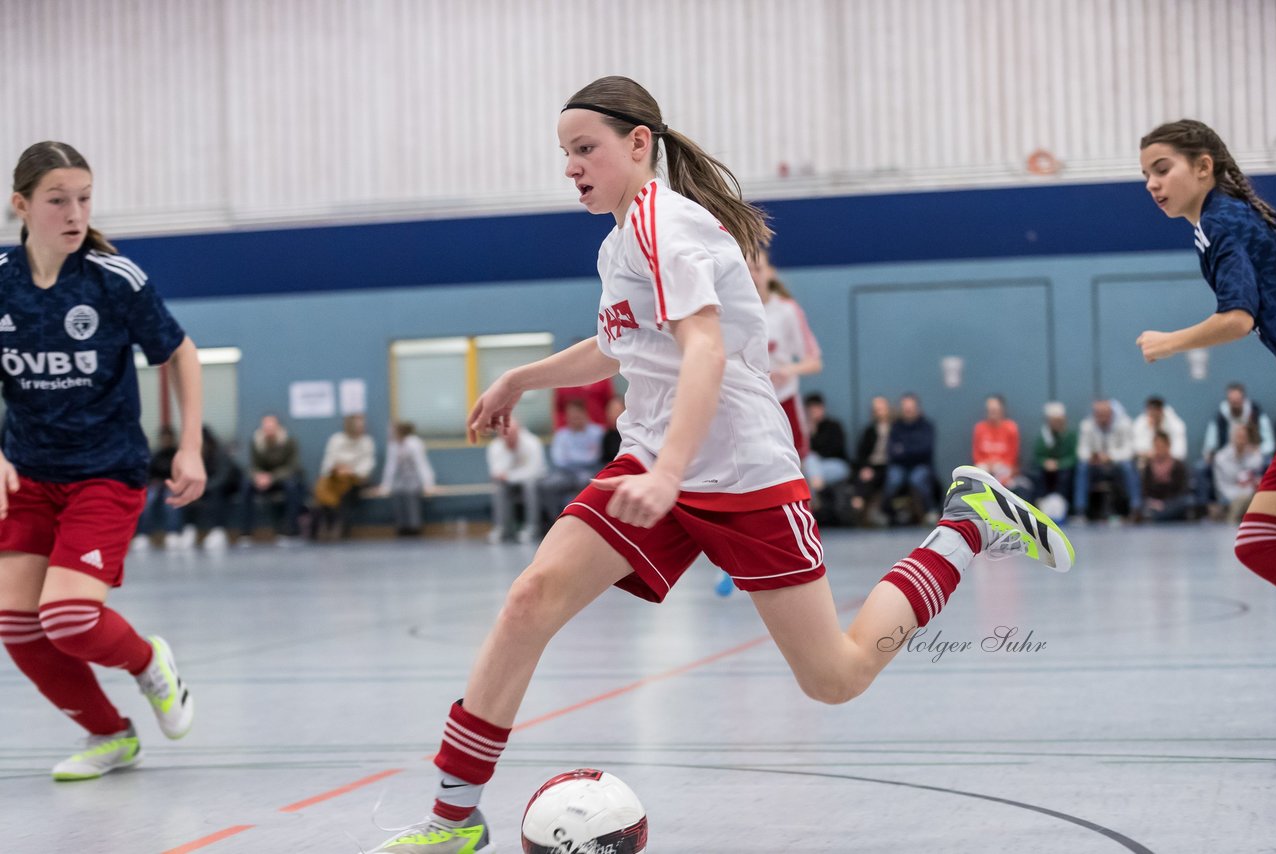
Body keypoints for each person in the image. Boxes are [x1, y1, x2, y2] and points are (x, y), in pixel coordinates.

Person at [365, 76, 1074, 854]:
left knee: (833, 676)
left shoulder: (667, 225)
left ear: (640, 144)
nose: (570, 166)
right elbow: (619, 346)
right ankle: (452, 820)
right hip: (653, 461)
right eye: (564, 153)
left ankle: (966, 528)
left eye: (584, 149)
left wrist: (669, 472)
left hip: (740, 473)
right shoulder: (621, 238)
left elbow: (702, 346)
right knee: (530, 599)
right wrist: (520, 378)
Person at [0, 141, 203, 781]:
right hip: (30, 473)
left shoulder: (114, 280)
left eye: (84, 199)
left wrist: (190, 446)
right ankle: (108, 735)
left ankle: (148, 663)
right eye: (57, 200)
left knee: (66, 617)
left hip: (104, 473)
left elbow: (181, 352)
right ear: (21, 206)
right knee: (16, 623)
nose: (74, 213)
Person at [1137, 119, 1276, 587]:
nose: (1152, 184)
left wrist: (1169, 341)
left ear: (1203, 167)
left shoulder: (1222, 221)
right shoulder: (1222, 218)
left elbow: (1238, 318)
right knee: (1260, 542)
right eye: (1146, 176)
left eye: (1162, 169)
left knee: (1259, 543)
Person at [752, 249, 822, 459]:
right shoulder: (732, 311)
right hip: (751, 403)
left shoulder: (787, 311)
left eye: (757, 268)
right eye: (746, 270)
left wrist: (788, 369)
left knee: (794, 462)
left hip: (784, 400)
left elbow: (814, 362)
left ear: (770, 272)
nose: (753, 275)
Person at [237, 413, 306, 542]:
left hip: (282, 479)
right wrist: (257, 476)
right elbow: (253, 465)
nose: (269, 428)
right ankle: (245, 533)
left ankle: (291, 531)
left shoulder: (289, 441)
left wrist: (272, 477)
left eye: (271, 425)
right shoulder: (256, 441)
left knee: (292, 487)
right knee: (245, 486)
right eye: (266, 425)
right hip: (262, 480)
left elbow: (293, 466)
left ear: (278, 426)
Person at [537, 398, 605, 517]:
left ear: (584, 414)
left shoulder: (597, 432)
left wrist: (571, 457)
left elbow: (595, 457)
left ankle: (583, 519)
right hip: (565, 474)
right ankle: (555, 520)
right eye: (570, 415)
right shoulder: (561, 435)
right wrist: (583, 456)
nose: (573, 417)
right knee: (546, 485)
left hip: (589, 472)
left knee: (584, 480)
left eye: (576, 414)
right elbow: (559, 460)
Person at [313, 413, 376, 540]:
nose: (360, 427)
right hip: (334, 477)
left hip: (355, 480)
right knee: (322, 489)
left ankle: (339, 526)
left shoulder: (367, 442)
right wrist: (336, 470)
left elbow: (367, 465)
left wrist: (350, 471)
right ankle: (324, 525)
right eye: (357, 425)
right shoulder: (336, 439)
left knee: (344, 491)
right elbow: (328, 461)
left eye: (362, 425)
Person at [485, 415, 547, 545]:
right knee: (499, 486)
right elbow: (496, 473)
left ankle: (531, 528)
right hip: (510, 484)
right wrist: (509, 452)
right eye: (504, 434)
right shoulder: (495, 446)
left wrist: (509, 476)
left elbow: (533, 471)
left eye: (511, 433)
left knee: (529, 485)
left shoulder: (532, 442)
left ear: (519, 430)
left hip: (536, 482)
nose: (508, 437)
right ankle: (502, 528)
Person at [1074, 399, 1139, 520]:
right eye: (1098, 414)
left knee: (1128, 467)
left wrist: (1110, 456)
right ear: (1094, 414)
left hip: (1116, 466)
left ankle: (1135, 509)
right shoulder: (1087, 425)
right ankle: (1080, 510)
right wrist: (1093, 457)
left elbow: (1130, 450)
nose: (1102, 417)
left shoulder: (1124, 423)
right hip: (1096, 467)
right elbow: (1081, 451)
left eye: (1105, 414)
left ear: (1111, 413)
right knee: (1082, 467)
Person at [881, 392, 939, 524]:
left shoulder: (926, 426)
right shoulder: (896, 426)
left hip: (921, 465)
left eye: (910, 407)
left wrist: (904, 450)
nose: (908, 410)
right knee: (893, 479)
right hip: (899, 466)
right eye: (905, 408)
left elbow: (925, 450)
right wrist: (911, 450)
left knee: (917, 479)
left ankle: (930, 510)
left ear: (917, 408)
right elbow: (892, 450)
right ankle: (886, 512)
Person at [133, 425, 188, 550]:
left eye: (168, 438)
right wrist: (153, 481)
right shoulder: (156, 455)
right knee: (148, 500)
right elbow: (148, 473)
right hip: (157, 485)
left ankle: (173, 532)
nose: (166, 441)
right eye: (163, 438)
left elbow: (182, 473)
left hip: (173, 485)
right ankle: (144, 533)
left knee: (171, 500)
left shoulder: (178, 454)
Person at [378, 421, 436, 536]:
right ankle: (401, 526)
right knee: (397, 493)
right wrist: (386, 485)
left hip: (414, 478)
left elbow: (422, 465)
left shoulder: (414, 443)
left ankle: (414, 527)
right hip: (399, 479)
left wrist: (429, 484)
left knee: (410, 494)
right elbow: (390, 467)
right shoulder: (393, 445)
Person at [971, 394, 1030, 496]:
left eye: (995, 410)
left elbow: (1013, 456)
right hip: (985, 467)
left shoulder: (1011, 428)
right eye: (990, 410)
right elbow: (976, 455)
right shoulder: (979, 428)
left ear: (1001, 410)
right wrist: (988, 464)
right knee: (978, 474)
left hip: (1004, 468)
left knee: (1003, 475)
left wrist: (999, 464)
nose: (992, 413)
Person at [850, 395, 893, 525]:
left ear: (888, 409)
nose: (879, 412)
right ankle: (858, 505)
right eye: (876, 409)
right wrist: (865, 467)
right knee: (864, 477)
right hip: (873, 465)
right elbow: (862, 454)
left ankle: (879, 511)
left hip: (890, 466)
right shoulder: (869, 430)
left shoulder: (896, 428)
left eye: (881, 408)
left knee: (892, 477)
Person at [1139, 432, 1194, 522]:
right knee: (1142, 506)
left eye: (1161, 446)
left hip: (1173, 502)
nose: (1159, 449)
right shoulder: (1149, 466)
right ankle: (1164, 515)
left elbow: (1183, 490)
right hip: (1154, 503)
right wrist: (1155, 503)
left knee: (1187, 501)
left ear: (1168, 446)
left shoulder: (1178, 465)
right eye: (1157, 446)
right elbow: (1145, 490)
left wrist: (1165, 504)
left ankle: (1162, 515)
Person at [1213, 424, 1263, 524]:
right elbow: (1221, 487)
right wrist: (1241, 495)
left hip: (1251, 495)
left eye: (1244, 437)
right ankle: (1230, 524)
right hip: (1230, 495)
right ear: (1232, 437)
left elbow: (1256, 479)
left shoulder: (1254, 456)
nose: (1241, 440)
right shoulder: (1221, 458)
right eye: (1238, 436)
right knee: (1241, 500)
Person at [1031, 401, 1077, 509]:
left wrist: (1059, 464)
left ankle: (1062, 504)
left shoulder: (1070, 435)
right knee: (1037, 473)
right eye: (1054, 421)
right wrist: (1045, 463)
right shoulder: (1043, 436)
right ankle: (1039, 503)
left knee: (1065, 475)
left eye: (1059, 420)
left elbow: (1073, 457)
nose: (1057, 423)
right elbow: (1037, 456)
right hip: (1046, 469)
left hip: (1064, 469)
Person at [1131, 395, 1188, 465]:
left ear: (1161, 411)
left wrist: (1161, 455)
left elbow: (1180, 453)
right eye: (1150, 412)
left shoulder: (1176, 425)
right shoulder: (1140, 423)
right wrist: (1151, 429)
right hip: (1146, 463)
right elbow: (1136, 449)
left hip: (1170, 464)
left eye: (1156, 411)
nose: (1153, 415)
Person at [600, 395, 625, 465]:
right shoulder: (606, 435)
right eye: (611, 411)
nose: (613, 414)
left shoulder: (629, 434)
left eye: (616, 410)